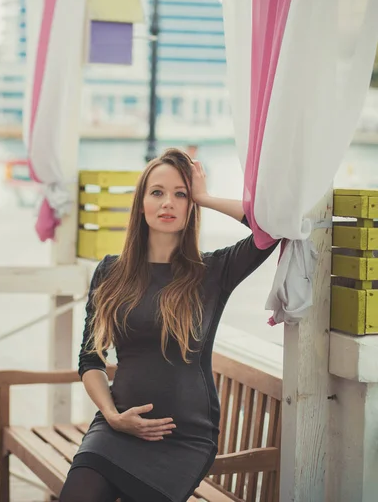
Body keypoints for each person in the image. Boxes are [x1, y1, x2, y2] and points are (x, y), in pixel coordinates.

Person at [59, 148, 278, 502]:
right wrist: (112, 416)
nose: (168, 203)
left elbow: (270, 228)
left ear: (191, 206)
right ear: (141, 203)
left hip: (183, 440)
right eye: (157, 192)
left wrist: (205, 196)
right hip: (115, 430)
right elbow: (90, 360)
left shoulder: (213, 272)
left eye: (181, 194)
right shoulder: (110, 272)